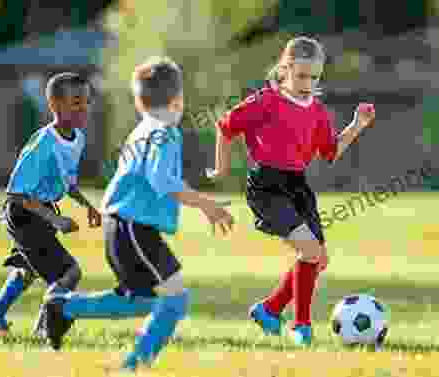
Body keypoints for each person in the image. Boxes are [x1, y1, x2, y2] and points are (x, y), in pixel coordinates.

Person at [40, 56, 235, 372]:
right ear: (178, 100)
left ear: (139, 100)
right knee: (176, 300)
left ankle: (63, 307)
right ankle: (134, 364)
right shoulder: (166, 132)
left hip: (121, 226)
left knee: (141, 300)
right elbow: (162, 181)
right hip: (134, 228)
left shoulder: (142, 129)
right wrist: (206, 204)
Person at [208, 36, 376, 345]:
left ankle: (269, 310)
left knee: (317, 258)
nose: (307, 83)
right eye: (301, 75)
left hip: (297, 186)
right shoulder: (265, 101)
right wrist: (220, 169)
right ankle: (301, 327)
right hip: (267, 188)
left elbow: (330, 152)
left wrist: (357, 125)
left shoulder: (318, 112)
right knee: (311, 252)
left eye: (314, 77)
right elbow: (225, 127)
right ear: (285, 69)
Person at [0, 72, 101, 337]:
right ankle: (45, 329)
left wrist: (88, 206)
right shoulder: (44, 143)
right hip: (24, 213)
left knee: (28, 269)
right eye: (76, 102)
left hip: (41, 212)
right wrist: (54, 219)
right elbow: (16, 193)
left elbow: (67, 182)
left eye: (87, 101)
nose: (84, 108)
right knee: (70, 273)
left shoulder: (77, 138)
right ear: (55, 106)